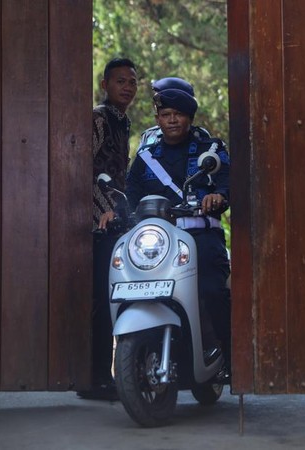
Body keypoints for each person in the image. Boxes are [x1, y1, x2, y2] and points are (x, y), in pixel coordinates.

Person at [126, 77, 231, 369]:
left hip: (201, 237)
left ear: (189, 117)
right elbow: (130, 193)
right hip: (160, 241)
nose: (172, 120)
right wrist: (117, 212)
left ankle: (232, 360)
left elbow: (228, 182)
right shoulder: (146, 157)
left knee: (213, 290)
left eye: (178, 114)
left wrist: (217, 196)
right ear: (158, 119)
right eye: (166, 115)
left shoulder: (210, 149)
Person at [80, 57, 138, 400]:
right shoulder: (99, 118)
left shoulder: (124, 121)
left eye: (132, 81)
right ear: (105, 85)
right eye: (120, 81)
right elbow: (82, 167)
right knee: (101, 300)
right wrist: (103, 211)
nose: (127, 87)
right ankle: (97, 379)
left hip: (116, 221)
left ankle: (106, 375)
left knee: (115, 297)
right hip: (96, 222)